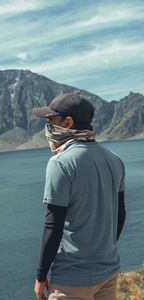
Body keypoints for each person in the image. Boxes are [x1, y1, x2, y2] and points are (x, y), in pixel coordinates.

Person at [32, 92, 126, 300]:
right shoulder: (115, 160)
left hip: (72, 281)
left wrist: (40, 276)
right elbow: (121, 215)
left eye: (51, 120)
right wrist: (104, 252)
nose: (47, 127)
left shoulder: (61, 163)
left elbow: (53, 225)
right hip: (108, 272)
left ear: (67, 123)